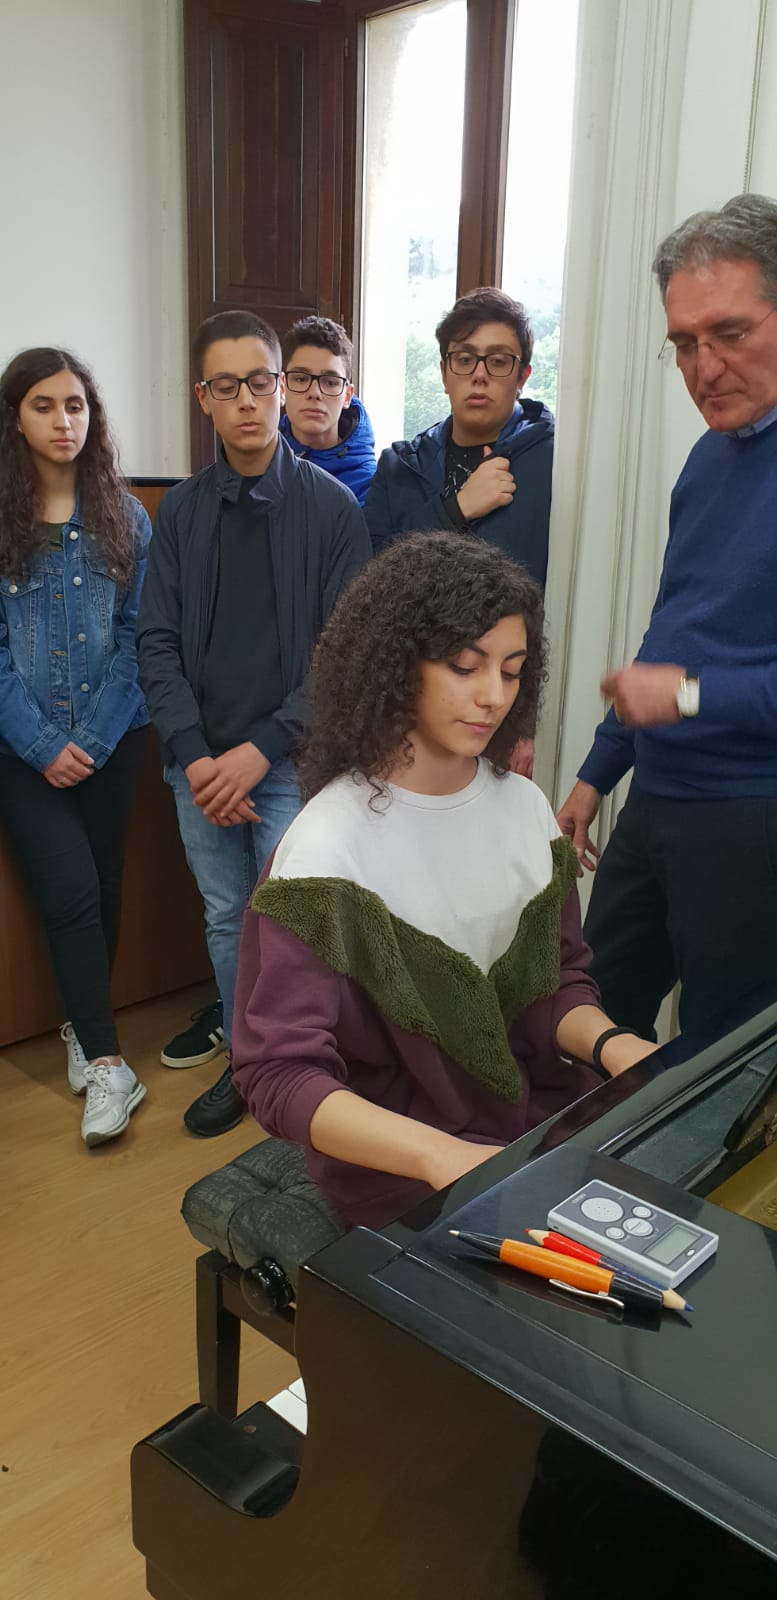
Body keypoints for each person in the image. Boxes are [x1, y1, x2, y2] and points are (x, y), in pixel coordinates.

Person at [230, 532, 655, 1229]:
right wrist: (440, 1156)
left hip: (538, 1121)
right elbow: (278, 1075)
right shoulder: (324, 852)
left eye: (511, 672)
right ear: (396, 666)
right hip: (404, 1168)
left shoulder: (524, 809)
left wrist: (617, 1046)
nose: (492, 697)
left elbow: (557, 983)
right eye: (464, 666)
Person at [137, 309, 371, 1139]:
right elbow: (155, 640)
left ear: (280, 387)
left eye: (260, 382)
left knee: (293, 921)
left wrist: (259, 751)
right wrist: (196, 754)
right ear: (204, 396)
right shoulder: (180, 512)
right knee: (225, 916)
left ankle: (300, 1072)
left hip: (286, 761)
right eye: (227, 385)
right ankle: (247, 1066)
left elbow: (344, 654)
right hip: (198, 765)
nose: (247, 400)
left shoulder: (332, 510)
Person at [557, 193, 777, 1040]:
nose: (702, 367)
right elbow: (671, 631)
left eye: (728, 333)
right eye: (683, 343)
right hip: (655, 800)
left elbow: (675, 680)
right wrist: (596, 771)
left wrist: (685, 697)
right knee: (588, 1020)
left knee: (718, 1061)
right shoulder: (708, 457)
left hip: (747, 820)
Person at [0, 347, 150, 1145]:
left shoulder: (128, 517)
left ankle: (79, 1024)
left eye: (76, 405)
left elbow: (140, 638)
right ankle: (108, 1064)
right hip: (20, 748)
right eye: (44, 405)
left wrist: (88, 740)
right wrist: (42, 743)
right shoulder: (2, 522)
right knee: (69, 892)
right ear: (15, 419)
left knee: (104, 881)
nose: (64, 420)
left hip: (113, 738)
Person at [363, 287, 553, 588]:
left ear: (523, 377)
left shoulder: (554, 464)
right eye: (464, 359)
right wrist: (455, 511)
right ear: (444, 374)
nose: (479, 375)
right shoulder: (398, 468)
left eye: (498, 361)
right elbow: (370, 579)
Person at [280, 316, 377, 505]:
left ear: (347, 396)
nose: (314, 393)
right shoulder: (259, 463)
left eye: (330, 382)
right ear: (283, 387)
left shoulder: (372, 486)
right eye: (301, 379)